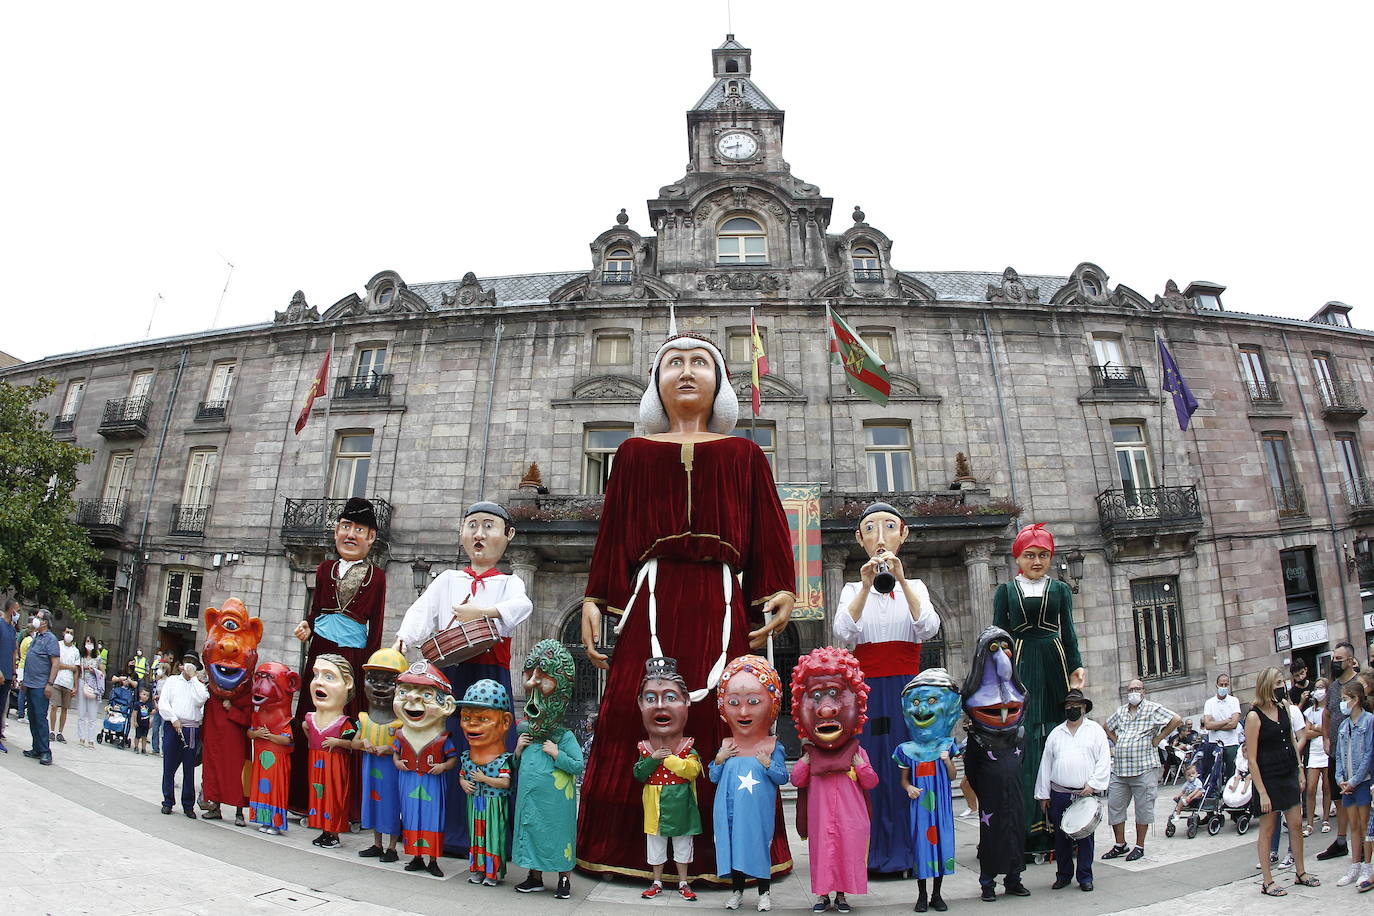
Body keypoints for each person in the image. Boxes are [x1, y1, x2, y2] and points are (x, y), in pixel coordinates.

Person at [577, 331, 796, 881]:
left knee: (726, 712)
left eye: (701, 362)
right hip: (651, 595)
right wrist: (597, 596)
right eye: (673, 363)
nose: (687, 372)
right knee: (632, 709)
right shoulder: (631, 454)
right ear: (657, 383)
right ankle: (625, 849)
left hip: (721, 598)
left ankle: (732, 849)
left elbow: (769, 529)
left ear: (720, 382)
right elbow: (614, 532)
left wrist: (779, 586)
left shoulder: (744, 454)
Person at [394, 500, 531, 853]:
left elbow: (521, 608)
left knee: (491, 747)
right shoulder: (447, 580)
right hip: (450, 673)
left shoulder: (509, 582)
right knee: (445, 744)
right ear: (461, 533)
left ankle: (490, 831)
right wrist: (401, 641)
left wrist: (481, 611)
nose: (479, 534)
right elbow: (421, 611)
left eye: (489, 526)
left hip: (491, 677)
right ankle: (440, 827)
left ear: (508, 535)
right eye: (472, 525)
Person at [832, 501, 939, 874]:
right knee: (872, 763)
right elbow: (844, 632)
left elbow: (928, 627)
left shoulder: (919, 587)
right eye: (871, 529)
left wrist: (902, 579)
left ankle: (911, 850)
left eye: (889, 527)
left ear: (903, 535)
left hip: (908, 692)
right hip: (869, 694)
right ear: (859, 539)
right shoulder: (850, 589)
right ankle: (874, 853)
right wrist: (865, 586)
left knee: (908, 761)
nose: (881, 537)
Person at [993, 523, 1085, 859]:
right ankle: (1029, 829)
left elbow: (1069, 631)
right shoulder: (1006, 591)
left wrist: (1076, 665)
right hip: (1020, 658)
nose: (1037, 561)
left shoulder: (1060, 590)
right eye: (1030, 555)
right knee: (1026, 736)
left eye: (1043, 555)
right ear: (1018, 557)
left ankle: (1064, 827)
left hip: (1053, 659)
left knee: (1058, 734)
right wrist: (998, 674)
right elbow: (998, 636)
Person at [291, 497, 387, 815]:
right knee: (309, 713)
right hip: (320, 649)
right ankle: (302, 797)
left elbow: (376, 624)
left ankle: (345, 802)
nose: (351, 535)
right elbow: (316, 608)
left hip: (354, 656)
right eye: (346, 527)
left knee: (348, 720)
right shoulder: (324, 569)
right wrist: (307, 625)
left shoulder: (377, 577)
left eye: (359, 529)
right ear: (335, 532)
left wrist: (371, 665)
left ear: (371, 538)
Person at [709, 656, 788, 913]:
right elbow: (713, 777)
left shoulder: (772, 746)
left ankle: (764, 893)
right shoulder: (727, 746)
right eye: (734, 703)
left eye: (753, 702)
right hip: (728, 813)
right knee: (734, 851)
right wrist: (719, 760)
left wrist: (768, 764)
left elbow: (782, 778)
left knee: (756, 849)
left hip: (756, 814)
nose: (743, 712)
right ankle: (737, 892)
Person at [512, 640, 585, 899]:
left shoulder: (563, 736)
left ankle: (564, 879)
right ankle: (534, 877)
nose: (532, 682)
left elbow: (578, 765)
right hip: (531, 801)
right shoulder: (525, 733)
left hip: (555, 805)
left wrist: (557, 754)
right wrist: (518, 751)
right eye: (528, 676)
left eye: (540, 678)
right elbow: (514, 768)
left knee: (556, 836)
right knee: (532, 833)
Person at [633, 658, 702, 902]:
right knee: (656, 846)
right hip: (656, 806)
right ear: (641, 704)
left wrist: (670, 759)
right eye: (650, 699)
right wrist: (653, 759)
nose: (660, 706)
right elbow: (639, 773)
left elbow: (693, 771)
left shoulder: (688, 746)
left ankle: (683, 882)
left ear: (686, 702)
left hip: (682, 804)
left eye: (670, 697)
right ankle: (657, 881)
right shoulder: (643, 748)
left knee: (683, 845)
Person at [1245, 666, 1318, 896]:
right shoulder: (1254, 716)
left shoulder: (1284, 708)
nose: (1281, 686)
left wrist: (1300, 770)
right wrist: (1262, 792)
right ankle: (1267, 880)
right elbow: (1252, 759)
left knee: (1296, 824)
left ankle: (1300, 871)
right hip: (1267, 777)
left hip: (1287, 772)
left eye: (1282, 682)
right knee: (1268, 828)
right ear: (1267, 685)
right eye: (1277, 683)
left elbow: (1291, 739)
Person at [1034, 688, 1110, 893]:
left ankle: (1085, 876)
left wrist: (1093, 784)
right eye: (1068, 706)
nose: (1072, 709)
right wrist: (1043, 794)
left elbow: (1103, 760)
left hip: (1084, 793)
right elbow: (1046, 764)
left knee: (1085, 837)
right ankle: (1063, 875)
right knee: (1060, 837)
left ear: (1084, 707)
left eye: (1076, 706)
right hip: (1059, 793)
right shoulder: (1056, 733)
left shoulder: (1095, 731)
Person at [1102, 677, 1181, 862]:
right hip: (1121, 769)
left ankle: (1139, 845)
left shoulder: (1152, 709)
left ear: (1144, 691)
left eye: (1137, 689)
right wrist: (1117, 740)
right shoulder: (1121, 711)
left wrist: (1159, 738)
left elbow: (1176, 719)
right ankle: (1120, 844)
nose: (1134, 692)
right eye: (1131, 689)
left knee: (1143, 808)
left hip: (1144, 768)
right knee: (1115, 807)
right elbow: (1107, 726)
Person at [1319, 641, 1362, 861]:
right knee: (1338, 795)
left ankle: (1361, 839)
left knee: (1359, 797)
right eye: (1333, 658)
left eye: (1338, 659)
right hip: (1336, 750)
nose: (1334, 662)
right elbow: (1326, 713)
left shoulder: (1359, 683)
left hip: (1356, 753)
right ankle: (1342, 839)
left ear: (1350, 660)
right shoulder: (1333, 687)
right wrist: (1326, 738)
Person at [158, 651, 209, 818]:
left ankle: (188, 805)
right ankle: (168, 801)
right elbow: (163, 702)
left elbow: (202, 698)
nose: (189, 665)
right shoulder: (172, 681)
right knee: (169, 766)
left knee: (189, 768)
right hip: (173, 725)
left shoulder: (198, 685)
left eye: (193, 662)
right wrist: (173, 719)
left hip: (191, 728)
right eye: (187, 661)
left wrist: (194, 678)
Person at [1333, 679, 1372, 889]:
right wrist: (1340, 779)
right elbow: (1339, 755)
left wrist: (1355, 780)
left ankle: (1367, 866)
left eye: (1345, 700)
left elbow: (1368, 754)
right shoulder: (1343, 725)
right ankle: (1355, 865)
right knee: (1354, 826)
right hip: (1346, 783)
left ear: (1356, 700)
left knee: (1365, 826)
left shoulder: (1368, 721)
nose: (1343, 703)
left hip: (1363, 782)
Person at [20, 609, 60, 765]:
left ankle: (45, 751)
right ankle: (36, 747)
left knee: (40, 717)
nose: (35, 619)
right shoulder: (36, 638)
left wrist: (50, 684)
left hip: (41, 685)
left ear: (45, 622)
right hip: (30, 683)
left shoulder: (50, 639)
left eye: (38, 618)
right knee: (33, 717)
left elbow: (55, 663)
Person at [1302, 678, 1331, 836]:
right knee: (1311, 787)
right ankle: (1310, 823)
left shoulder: (1329, 709)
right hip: (1314, 752)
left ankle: (1326, 819)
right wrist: (1321, 729)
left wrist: (1317, 728)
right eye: (1317, 687)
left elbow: (1330, 729)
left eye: (1322, 687)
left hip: (1326, 750)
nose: (1319, 690)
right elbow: (1306, 733)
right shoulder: (1310, 711)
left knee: (1326, 786)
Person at [1202, 673, 1242, 780]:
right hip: (1214, 742)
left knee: (1231, 771)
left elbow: (1233, 724)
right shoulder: (1209, 703)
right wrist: (1226, 721)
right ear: (1216, 685)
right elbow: (1208, 725)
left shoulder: (1234, 701)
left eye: (1226, 685)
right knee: (1214, 771)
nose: (1224, 687)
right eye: (1221, 684)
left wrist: (1215, 725)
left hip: (1231, 742)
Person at [47, 626, 80, 744]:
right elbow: (57, 664)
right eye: (67, 632)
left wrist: (76, 686)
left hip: (68, 682)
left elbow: (76, 669)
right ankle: (52, 730)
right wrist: (69, 667)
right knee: (54, 706)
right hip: (57, 680)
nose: (69, 634)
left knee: (65, 709)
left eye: (71, 633)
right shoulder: (58, 645)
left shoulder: (75, 651)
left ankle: (60, 732)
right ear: (63, 633)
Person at [75, 637, 104, 748]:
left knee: (92, 714)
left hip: (93, 686)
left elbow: (102, 673)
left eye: (91, 642)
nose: (89, 644)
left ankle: (91, 739)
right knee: (81, 712)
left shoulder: (98, 658)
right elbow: (77, 672)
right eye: (87, 642)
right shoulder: (81, 657)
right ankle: (81, 737)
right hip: (83, 683)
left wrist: (95, 671)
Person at [0, 598, 17, 752]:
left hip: (7, 675)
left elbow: (13, 652)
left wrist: (13, 672)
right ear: (11, 610)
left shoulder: (12, 629)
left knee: (1, 707)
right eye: (16, 610)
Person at [135, 688, 154, 754]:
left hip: (146, 724)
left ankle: (143, 749)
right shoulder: (137, 704)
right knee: (137, 736)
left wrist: (157, 709)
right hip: (139, 723)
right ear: (140, 694)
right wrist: (135, 721)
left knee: (144, 737)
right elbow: (135, 713)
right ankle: (136, 747)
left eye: (147, 695)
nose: (145, 696)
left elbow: (151, 712)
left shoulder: (149, 705)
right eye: (144, 694)